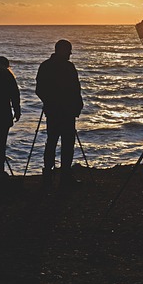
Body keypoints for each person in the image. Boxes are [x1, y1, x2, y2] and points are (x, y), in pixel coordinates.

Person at [36, 40, 84, 186]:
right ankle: (58, 176)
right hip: (60, 110)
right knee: (60, 142)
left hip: (60, 111)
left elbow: (76, 88)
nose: (70, 54)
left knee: (56, 142)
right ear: (61, 50)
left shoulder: (47, 66)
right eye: (68, 51)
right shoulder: (60, 67)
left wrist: (77, 105)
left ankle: (55, 176)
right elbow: (41, 90)